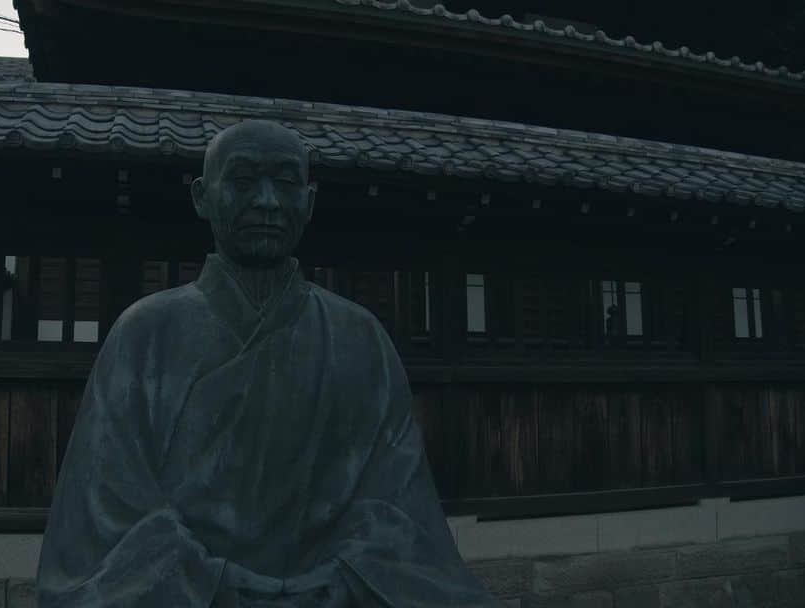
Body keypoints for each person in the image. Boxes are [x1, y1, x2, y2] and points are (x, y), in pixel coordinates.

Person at [37, 120, 500, 607]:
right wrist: (210, 583)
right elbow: (110, 511)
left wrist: (334, 584)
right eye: (241, 180)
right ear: (201, 196)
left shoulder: (360, 339)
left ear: (310, 201)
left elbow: (398, 510)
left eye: (284, 183)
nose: (266, 201)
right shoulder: (144, 335)